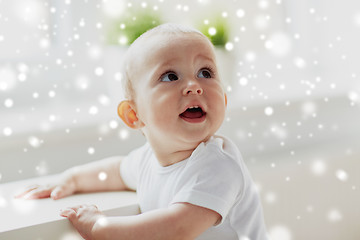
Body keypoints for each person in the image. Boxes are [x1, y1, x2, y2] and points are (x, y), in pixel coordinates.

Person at [16, 23, 269, 240]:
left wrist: (100, 227)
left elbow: (177, 228)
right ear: (134, 115)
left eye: (205, 73)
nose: (194, 86)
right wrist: (72, 179)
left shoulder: (218, 165)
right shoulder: (149, 159)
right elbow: (115, 172)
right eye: (170, 76)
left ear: (224, 100)